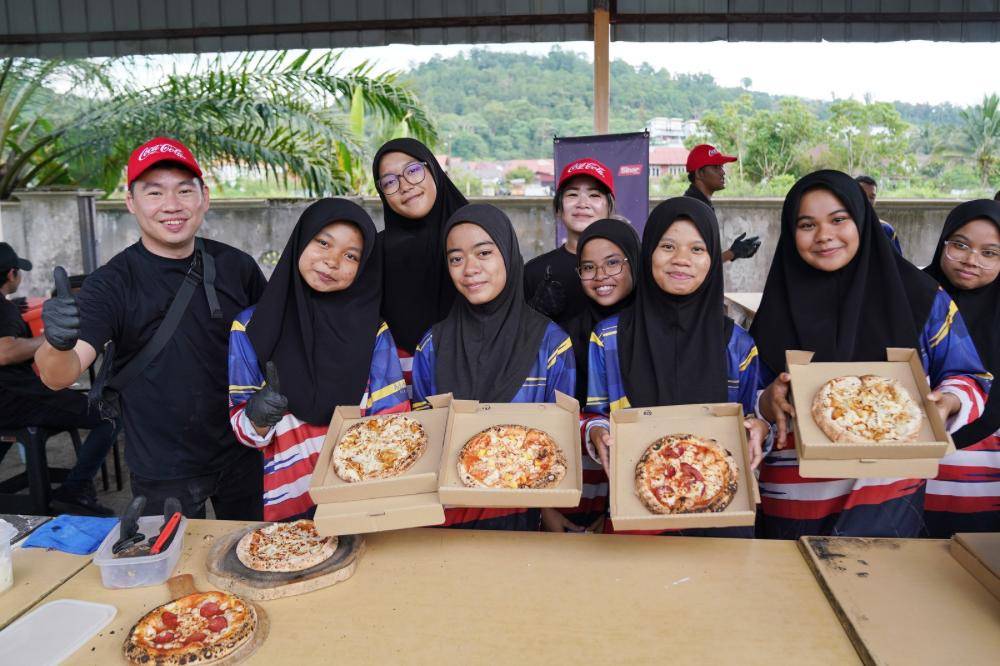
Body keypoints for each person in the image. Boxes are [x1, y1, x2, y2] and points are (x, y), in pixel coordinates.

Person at [35, 137, 268, 520]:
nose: (172, 205)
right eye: (154, 192)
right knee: (169, 571)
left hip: (244, 450)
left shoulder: (236, 266)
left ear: (204, 197)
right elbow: (56, 376)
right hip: (164, 469)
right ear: (131, 202)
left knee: (256, 560)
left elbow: (276, 340)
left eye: (184, 191)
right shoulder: (111, 283)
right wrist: (56, 344)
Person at [752, 170, 989, 539]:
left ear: (862, 219)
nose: (824, 235)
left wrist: (949, 403)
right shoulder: (777, 306)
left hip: (887, 496)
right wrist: (766, 405)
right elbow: (751, 398)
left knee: (883, 590)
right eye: (806, 224)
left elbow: (970, 376)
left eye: (838, 219)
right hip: (795, 497)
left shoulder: (922, 297)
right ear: (790, 231)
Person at [584, 198, 768, 536]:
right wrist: (596, 432)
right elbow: (595, 413)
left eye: (697, 249)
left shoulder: (737, 345)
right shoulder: (607, 338)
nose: (681, 259)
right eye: (667, 246)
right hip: (636, 506)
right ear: (648, 253)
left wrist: (758, 427)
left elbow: (750, 417)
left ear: (713, 260)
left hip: (719, 507)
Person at [228, 199, 409, 522]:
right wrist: (257, 414)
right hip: (288, 495)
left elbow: (393, 422)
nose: (332, 261)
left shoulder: (374, 332)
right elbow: (245, 430)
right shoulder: (251, 327)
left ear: (364, 265)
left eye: (350, 255)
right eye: (322, 243)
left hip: (361, 497)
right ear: (300, 241)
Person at [411, 203, 575, 531]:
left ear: (508, 254)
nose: (469, 268)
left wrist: (550, 509)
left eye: (484, 253)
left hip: (520, 519)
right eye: (456, 258)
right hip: (442, 522)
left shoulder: (551, 345)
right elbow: (423, 437)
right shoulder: (432, 345)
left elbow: (558, 446)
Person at [0, 244, 118, 515]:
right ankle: (75, 489)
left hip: (12, 396)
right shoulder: (3, 310)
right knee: (108, 415)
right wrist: (54, 339)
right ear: (11, 274)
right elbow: (4, 353)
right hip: (13, 397)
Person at [552, 218, 640, 532]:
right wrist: (549, 511)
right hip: (576, 491)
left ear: (636, 261)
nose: (600, 276)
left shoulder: (654, 330)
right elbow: (551, 423)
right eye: (588, 268)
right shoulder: (564, 336)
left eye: (613, 263)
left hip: (642, 490)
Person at [922, 200, 999, 536]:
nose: (971, 260)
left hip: (988, 467)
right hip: (914, 458)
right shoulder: (910, 297)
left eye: (990, 253)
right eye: (961, 246)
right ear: (943, 243)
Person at [372, 138, 468, 382]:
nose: (404, 186)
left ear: (433, 169)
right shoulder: (376, 252)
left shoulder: (478, 233)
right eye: (390, 181)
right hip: (400, 391)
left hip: (479, 381)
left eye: (413, 170)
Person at [524, 158, 615, 326]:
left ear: (609, 208)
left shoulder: (628, 268)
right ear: (559, 209)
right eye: (572, 195)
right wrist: (534, 316)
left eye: (594, 195)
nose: (582, 203)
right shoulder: (533, 272)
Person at [683, 143, 761, 263]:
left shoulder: (700, 204)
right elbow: (695, 262)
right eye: (716, 167)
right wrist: (732, 253)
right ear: (699, 173)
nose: (723, 172)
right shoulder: (693, 209)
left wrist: (733, 253)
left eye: (722, 167)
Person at [855, 175, 903, 255]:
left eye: (872, 197)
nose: (867, 201)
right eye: (862, 195)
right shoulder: (840, 228)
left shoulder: (885, 230)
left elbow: (896, 264)